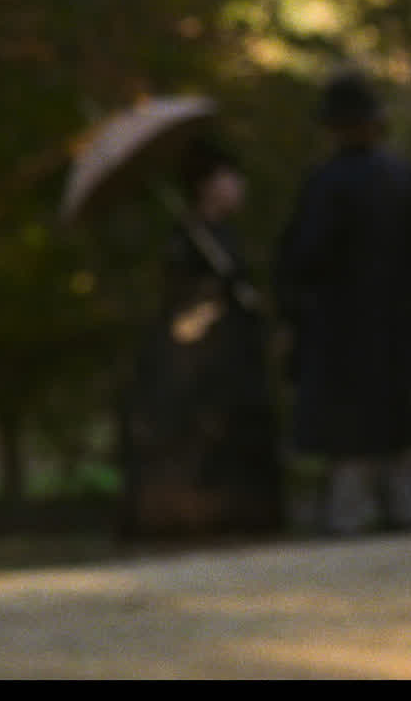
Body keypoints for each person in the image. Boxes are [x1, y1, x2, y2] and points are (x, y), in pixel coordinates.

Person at [276, 71, 411, 536]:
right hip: (392, 319)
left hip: (341, 324)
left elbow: (306, 254)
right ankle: (402, 507)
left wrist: (295, 301)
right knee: (391, 419)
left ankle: (350, 513)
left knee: (348, 428)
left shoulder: (328, 183)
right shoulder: (403, 177)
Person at [117, 136, 285, 540]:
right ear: (207, 185)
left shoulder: (223, 237)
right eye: (230, 178)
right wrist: (214, 300)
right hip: (203, 367)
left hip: (238, 359)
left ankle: (244, 516)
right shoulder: (185, 239)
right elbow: (182, 310)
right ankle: (197, 517)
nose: (238, 186)